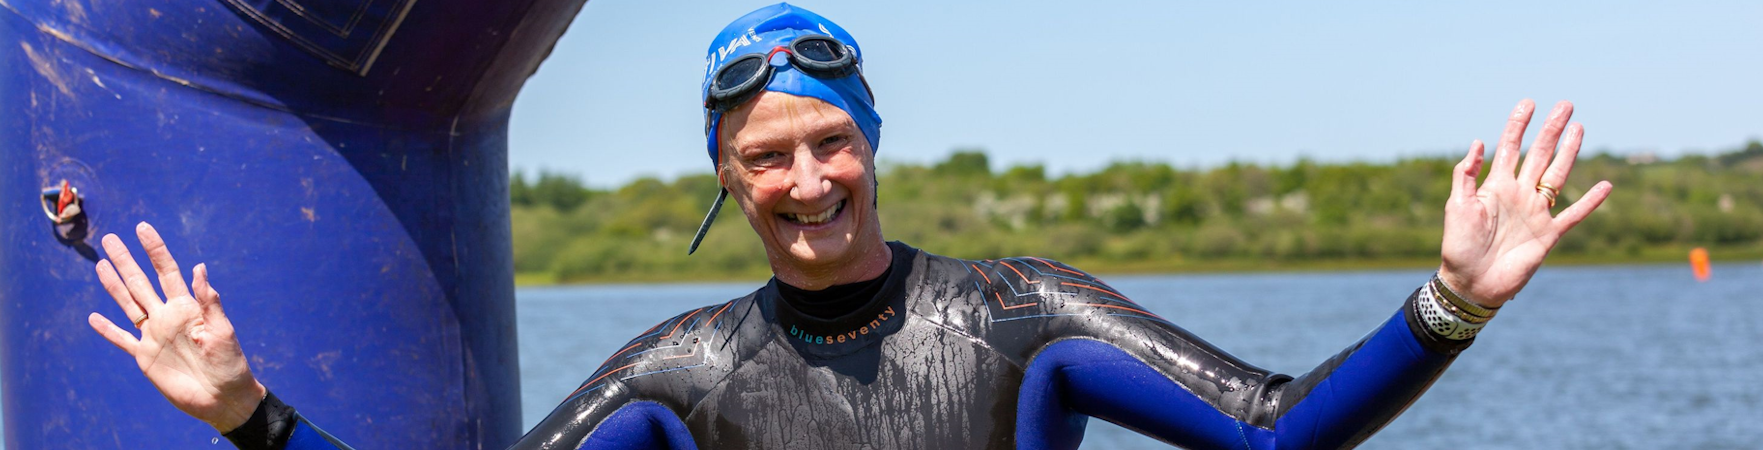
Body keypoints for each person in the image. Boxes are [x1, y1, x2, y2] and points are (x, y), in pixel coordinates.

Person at [86, 3, 1613, 449]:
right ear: (728, 179)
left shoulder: (1019, 314)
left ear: (871, 148)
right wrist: (252, 415)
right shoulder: (683, 370)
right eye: (767, 157)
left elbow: (1274, 432)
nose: (806, 179)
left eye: (829, 143)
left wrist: (1448, 303)